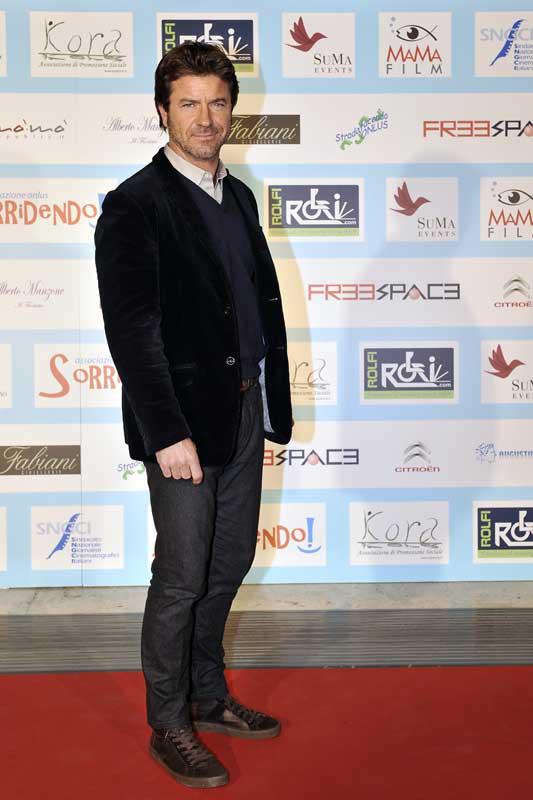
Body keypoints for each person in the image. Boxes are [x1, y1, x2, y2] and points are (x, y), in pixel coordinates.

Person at [94, 41, 293, 789]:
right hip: (180, 425)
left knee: (229, 561)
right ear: (162, 111)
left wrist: (267, 402)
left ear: (232, 109)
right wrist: (165, 432)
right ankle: (169, 721)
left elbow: (253, 306)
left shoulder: (237, 195)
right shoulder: (135, 204)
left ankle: (207, 694)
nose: (205, 118)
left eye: (217, 102)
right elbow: (132, 333)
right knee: (180, 575)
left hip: (241, 411)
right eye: (188, 104)